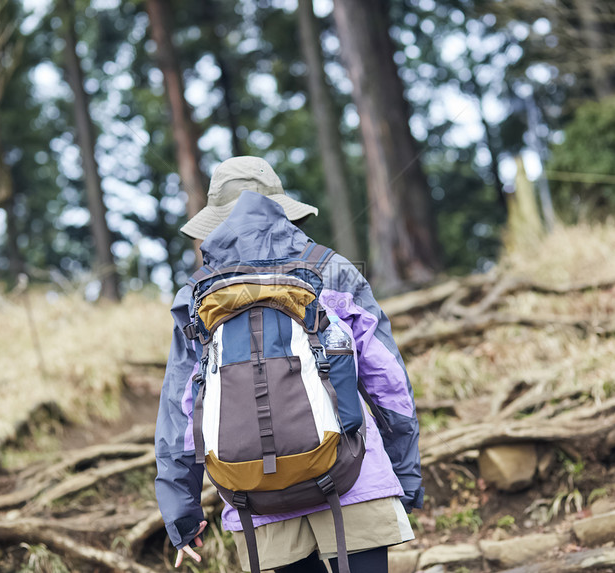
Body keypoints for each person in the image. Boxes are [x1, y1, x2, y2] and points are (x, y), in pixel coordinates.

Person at [154, 156, 424, 572]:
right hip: (352, 477)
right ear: (281, 208)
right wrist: (405, 471)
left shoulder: (194, 296)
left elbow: (180, 410)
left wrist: (182, 511)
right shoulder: (329, 268)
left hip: (254, 498)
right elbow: (387, 381)